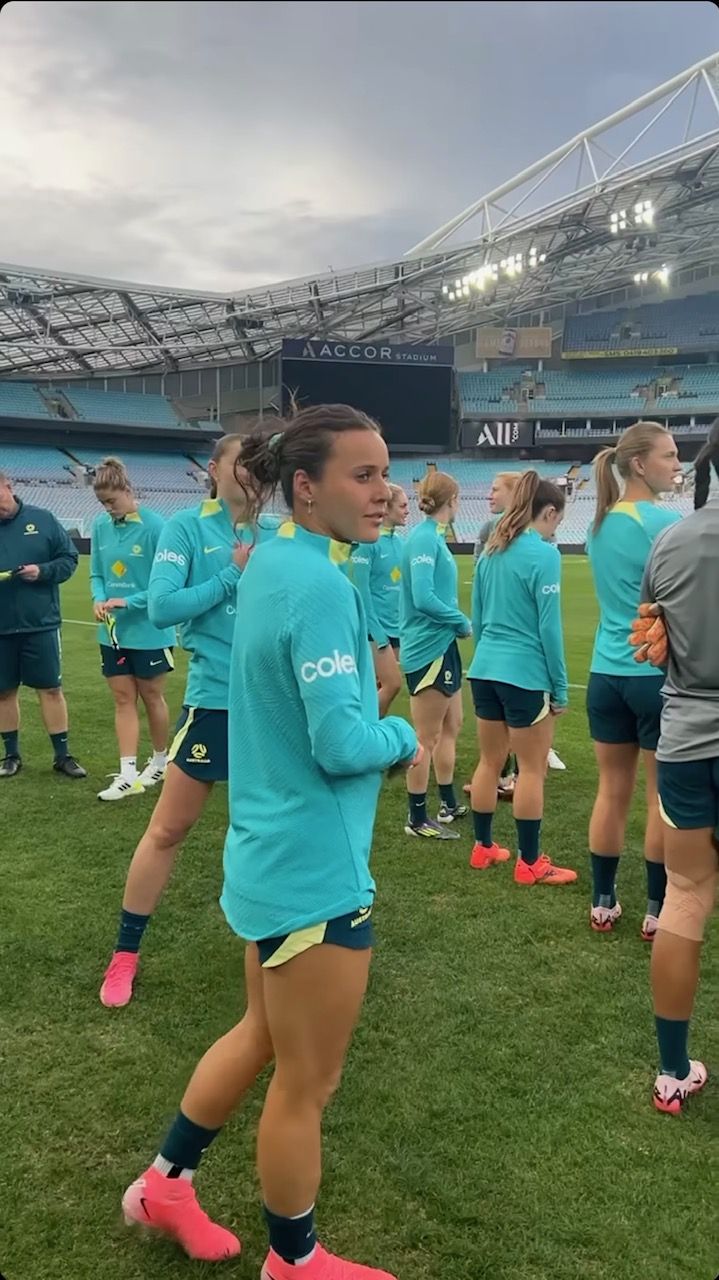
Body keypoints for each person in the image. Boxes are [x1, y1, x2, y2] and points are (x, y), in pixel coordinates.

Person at [120, 404, 420, 1279]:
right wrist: (405, 738)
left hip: (266, 851)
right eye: (362, 475)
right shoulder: (316, 583)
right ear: (304, 487)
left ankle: (164, 1186)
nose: (383, 490)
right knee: (306, 1083)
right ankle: (293, 1261)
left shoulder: (278, 561)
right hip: (311, 869)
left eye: (385, 471)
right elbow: (342, 742)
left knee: (259, 1033)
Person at [99, 435, 279, 1008]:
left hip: (273, 704)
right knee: (168, 830)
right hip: (216, 701)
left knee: (272, 832)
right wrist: (231, 575)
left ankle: (278, 947)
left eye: (258, 464)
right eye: (240, 462)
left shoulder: (280, 533)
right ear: (214, 468)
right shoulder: (185, 528)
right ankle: (125, 953)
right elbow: (161, 607)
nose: (250, 472)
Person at [638, 418, 719, 1114]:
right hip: (689, 730)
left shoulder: (671, 539)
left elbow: (653, 637)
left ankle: (671, 1070)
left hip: (688, 739)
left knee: (686, 896)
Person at [585, 422, 682, 937]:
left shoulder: (598, 524)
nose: (678, 464)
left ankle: (603, 901)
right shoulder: (662, 523)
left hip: (605, 675)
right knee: (658, 798)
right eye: (669, 455)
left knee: (611, 791)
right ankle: (656, 908)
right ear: (639, 464)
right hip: (652, 675)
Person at [468, 472, 576, 884]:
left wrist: (487, 661)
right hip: (524, 674)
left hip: (486, 670)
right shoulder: (545, 555)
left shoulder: (491, 551)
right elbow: (549, 628)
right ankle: (530, 863)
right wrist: (560, 688)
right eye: (556, 521)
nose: (555, 529)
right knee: (531, 769)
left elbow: (478, 617)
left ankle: (483, 847)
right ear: (547, 513)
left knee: (489, 762)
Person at [90, 458, 175, 801]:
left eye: (112, 501)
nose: (108, 509)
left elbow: (165, 582)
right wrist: (98, 598)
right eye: (102, 503)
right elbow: (97, 573)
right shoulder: (100, 526)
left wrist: (129, 602)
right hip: (112, 632)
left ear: (127, 490)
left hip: (150, 629)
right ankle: (127, 773)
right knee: (123, 699)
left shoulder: (156, 526)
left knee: (152, 696)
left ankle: (159, 761)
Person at [0, 468, 86, 779]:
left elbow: (69, 559)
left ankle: (62, 756)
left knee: (51, 689)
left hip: (41, 625)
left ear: (8, 486)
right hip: (1, 629)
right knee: (3, 693)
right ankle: (11, 755)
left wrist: (42, 571)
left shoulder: (43, 520)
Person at [399, 470, 470, 840]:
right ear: (452, 500)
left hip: (443, 645)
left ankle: (447, 803)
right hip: (428, 648)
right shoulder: (424, 538)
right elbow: (423, 597)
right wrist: (459, 620)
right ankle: (416, 818)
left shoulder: (433, 537)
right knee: (425, 737)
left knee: (452, 725)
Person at [349, 482, 408, 715]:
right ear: (387, 508)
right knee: (392, 684)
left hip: (395, 629)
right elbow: (361, 592)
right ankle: (367, 728)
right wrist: (377, 633)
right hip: (374, 631)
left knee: (376, 687)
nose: (407, 511)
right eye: (402, 506)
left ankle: (371, 728)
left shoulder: (400, 543)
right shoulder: (367, 544)